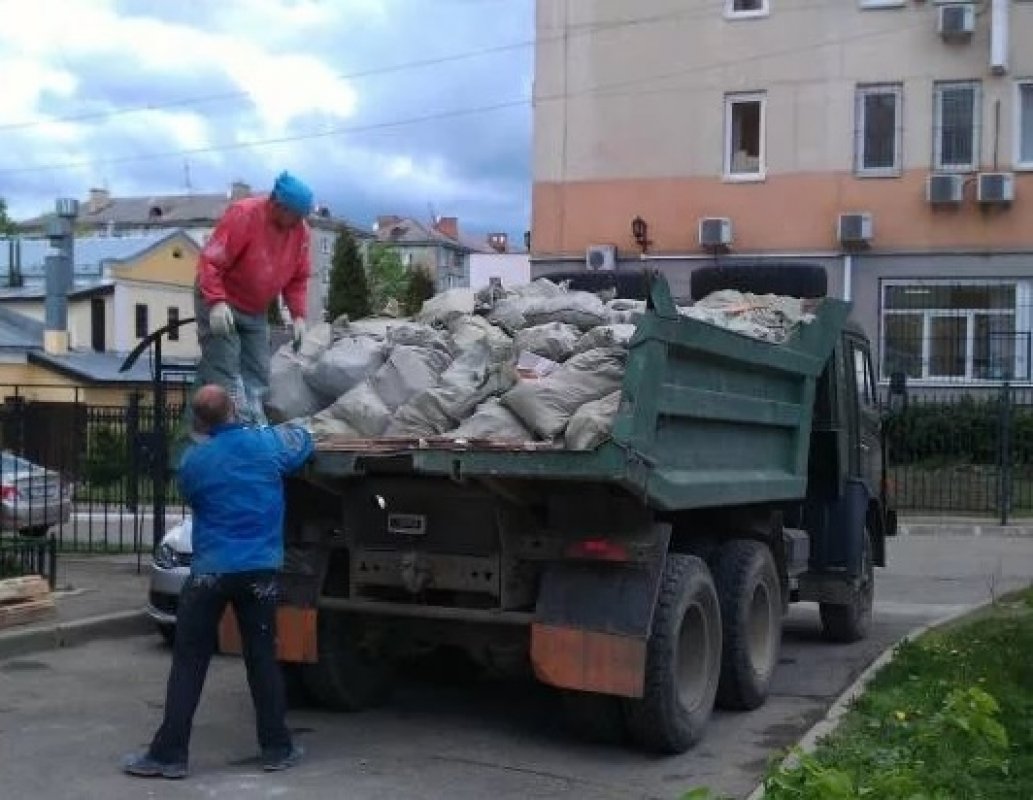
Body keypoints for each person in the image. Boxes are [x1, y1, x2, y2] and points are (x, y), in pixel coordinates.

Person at [123, 384, 315, 779]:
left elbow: (195, 498)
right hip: (259, 571)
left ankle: (169, 755)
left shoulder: (194, 462)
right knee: (261, 658)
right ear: (235, 410)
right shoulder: (266, 445)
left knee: (189, 662)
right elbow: (303, 445)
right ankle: (277, 747)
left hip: (210, 572)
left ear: (198, 421)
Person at [194, 171, 314, 425]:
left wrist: (299, 316)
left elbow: (297, 278)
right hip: (221, 299)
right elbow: (211, 260)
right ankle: (231, 433)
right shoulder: (244, 215)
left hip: (254, 308)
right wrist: (215, 302)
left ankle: (253, 425)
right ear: (279, 205)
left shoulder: (300, 232)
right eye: (296, 215)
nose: (299, 222)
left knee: (258, 371)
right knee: (226, 372)